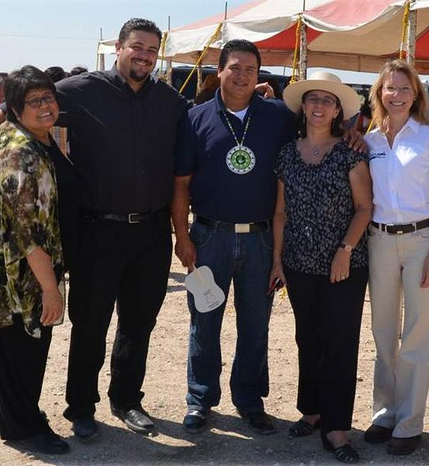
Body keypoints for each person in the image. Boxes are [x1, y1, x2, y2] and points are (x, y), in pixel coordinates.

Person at [0, 18, 189, 441]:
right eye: (137, 47)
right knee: (90, 323)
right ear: (119, 48)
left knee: (139, 322)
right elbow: (20, 99)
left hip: (151, 232)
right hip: (97, 232)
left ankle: (127, 399)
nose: (144, 56)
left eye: (151, 50)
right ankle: (81, 406)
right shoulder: (79, 90)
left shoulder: (170, 100)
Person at [172, 39, 296, 435]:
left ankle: (249, 399)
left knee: (256, 323)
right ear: (219, 71)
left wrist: (354, 135)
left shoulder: (277, 116)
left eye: (250, 70)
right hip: (210, 235)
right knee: (204, 321)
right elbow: (181, 183)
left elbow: (319, 130)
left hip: (261, 238)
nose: (242, 76)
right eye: (235, 68)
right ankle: (199, 398)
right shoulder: (196, 118)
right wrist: (181, 235)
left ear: (259, 76)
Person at [270, 72, 371, 464]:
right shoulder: (286, 153)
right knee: (307, 338)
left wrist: (345, 249)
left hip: (344, 264)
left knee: (340, 343)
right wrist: (278, 260)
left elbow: (365, 207)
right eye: (313, 99)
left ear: (337, 111)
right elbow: (279, 213)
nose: (319, 106)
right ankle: (311, 410)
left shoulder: (351, 152)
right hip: (297, 262)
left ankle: (337, 427)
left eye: (328, 101)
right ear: (303, 105)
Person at [0, 65, 69, 454]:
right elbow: (28, 236)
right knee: (26, 344)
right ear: (15, 108)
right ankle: (25, 427)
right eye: (34, 101)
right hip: (19, 269)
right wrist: (50, 288)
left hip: (6, 265)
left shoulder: (24, 134)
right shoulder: (20, 155)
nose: (45, 106)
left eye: (49, 98)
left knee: (7, 345)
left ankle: (4, 416)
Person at [363, 59, 429, 456]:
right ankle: (384, 413)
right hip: (379, 240)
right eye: (389, 88)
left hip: (422, 239)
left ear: (416, 93)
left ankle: (409, 422)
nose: (396, 95)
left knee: (417, 334)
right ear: (378, 93)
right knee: (383, 331)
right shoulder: (368, 141)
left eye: (404, 88)